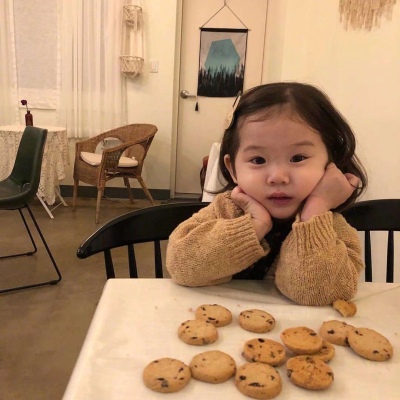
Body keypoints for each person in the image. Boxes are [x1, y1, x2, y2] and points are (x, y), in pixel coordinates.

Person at [166, 82, 368, 306]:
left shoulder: (331, 226)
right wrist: (255, 226)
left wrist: (315, 209)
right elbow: (180, 266)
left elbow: (316, 294)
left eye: (298, 158)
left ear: (331, 165)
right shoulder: (226, 209)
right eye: (258, 160)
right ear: (232, 169)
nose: (278, 177)